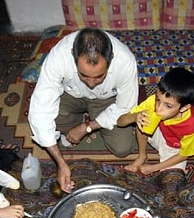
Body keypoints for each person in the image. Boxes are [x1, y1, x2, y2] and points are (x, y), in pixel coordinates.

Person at [28, 27, 139, 193]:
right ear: (73, 55)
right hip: (71, 95)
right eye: (84, 75)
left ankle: (82, 123)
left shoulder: (126, 61)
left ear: (111, 59)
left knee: (122, 148)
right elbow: (40, 109)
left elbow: (125, 108)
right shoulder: (58, 56)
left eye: (100, 76)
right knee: (49, 118)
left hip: (106, 100)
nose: (91, 84)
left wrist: (87, 128)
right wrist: (61, 163)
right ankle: (74, 121)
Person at [117, 67, 194, 174]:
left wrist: (153, 168)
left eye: (168, 106)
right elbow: (120, 122)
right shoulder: (152, 102)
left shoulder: (190, 124)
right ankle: (142, 156)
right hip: (159, 134)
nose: (158, 108)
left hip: (175, 149)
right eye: (158, 99)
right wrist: (135, 116)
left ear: (184, 108)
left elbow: (184, 155)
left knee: (173, 179)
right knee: (143, 119)